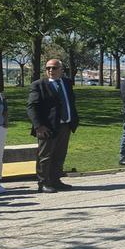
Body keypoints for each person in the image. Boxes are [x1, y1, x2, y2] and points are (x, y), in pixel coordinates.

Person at [26, 59, 79, 193]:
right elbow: (32, 107)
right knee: (45, 156)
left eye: (54, 68)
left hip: (65, 125)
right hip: (47, 127)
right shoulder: (38, 85)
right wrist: (39, 126)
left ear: (61, 69)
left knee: (60, 154)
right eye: (48, 68)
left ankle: (56, 180)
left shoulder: (66, 83)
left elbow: (69, 101)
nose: (51, 70)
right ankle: (43, 183)